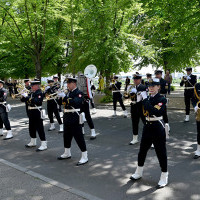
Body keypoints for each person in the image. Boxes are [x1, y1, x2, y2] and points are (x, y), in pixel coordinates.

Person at [130, 78, 168, 188]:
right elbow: (140, 108)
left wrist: (145, 99)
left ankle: (164, 176)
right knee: (142, 151)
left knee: (161, 153)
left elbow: (155, 111)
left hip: (157, 127)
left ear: (158, 87)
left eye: (153, 85)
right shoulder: (146, 98)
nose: (150, 88)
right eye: (149, 86)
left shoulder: (162, 99)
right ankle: (139, 172)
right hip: (147, 126)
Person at [57, 77, 88, 166]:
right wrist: (60, 97)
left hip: (75, 117)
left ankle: (84, 156)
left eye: (68, 83)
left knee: (78, 137)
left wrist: (65, 97)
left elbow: (76, 102)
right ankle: (67, 153)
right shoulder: (68, 93)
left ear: (73, 84)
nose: (67, 85)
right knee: (66, 136)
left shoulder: (79, 93)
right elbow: (60, 103)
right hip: (67, 116)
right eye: (67, 84)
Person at [21, 79, 47, 151]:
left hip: (37, 111)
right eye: (31, 85)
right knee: (31, 127)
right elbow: (23, 100)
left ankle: (44, 144)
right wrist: (23, 95)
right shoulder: (32, 92)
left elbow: (36, 101)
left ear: (37, 86)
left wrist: (27, 97)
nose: (31, 87)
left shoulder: (39, 93)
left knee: (39, 128)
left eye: (33, 85)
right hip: (31, 111)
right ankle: (33, 141)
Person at [77, 73, 97, 139]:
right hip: (78, 101)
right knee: (80, 116)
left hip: (85, 100)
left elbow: (90, 91)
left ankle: (93, 131)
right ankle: (82, 131)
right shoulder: (77, 81)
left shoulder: (88, 81)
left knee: (87, 116)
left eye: (82, 77)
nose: (81, 78)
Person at [129, 74, 146, 145]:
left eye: (136, 79)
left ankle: (151, 140)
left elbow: (145, 98)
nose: (135, 81)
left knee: (146, 123)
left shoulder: (143, 87)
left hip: (141, 107)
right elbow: (130, 97)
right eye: (134, 79)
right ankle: (135, 138)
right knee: (134, 123)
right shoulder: (132, 87)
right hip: (134, 107)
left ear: (140, 80)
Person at [192, 83, 200, 159]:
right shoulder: (197, 86)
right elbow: (193, 99)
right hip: (199, 111)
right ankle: (198, 150)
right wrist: (195, 106)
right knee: (199, 131)